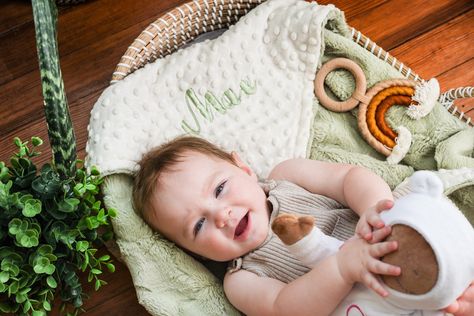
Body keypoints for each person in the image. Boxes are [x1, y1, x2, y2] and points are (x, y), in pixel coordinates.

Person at [132, 135, 474, 316]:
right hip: (365, 307)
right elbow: (286, 308)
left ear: (243, 168)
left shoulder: (287, 175)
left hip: (394, 247)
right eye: (198, 225)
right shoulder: (242, 279)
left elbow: (348, 178)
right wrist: (342, 268)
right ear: (191, 251)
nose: (222, 215)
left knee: (423, 212)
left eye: (220, 189)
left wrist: (374, 211)